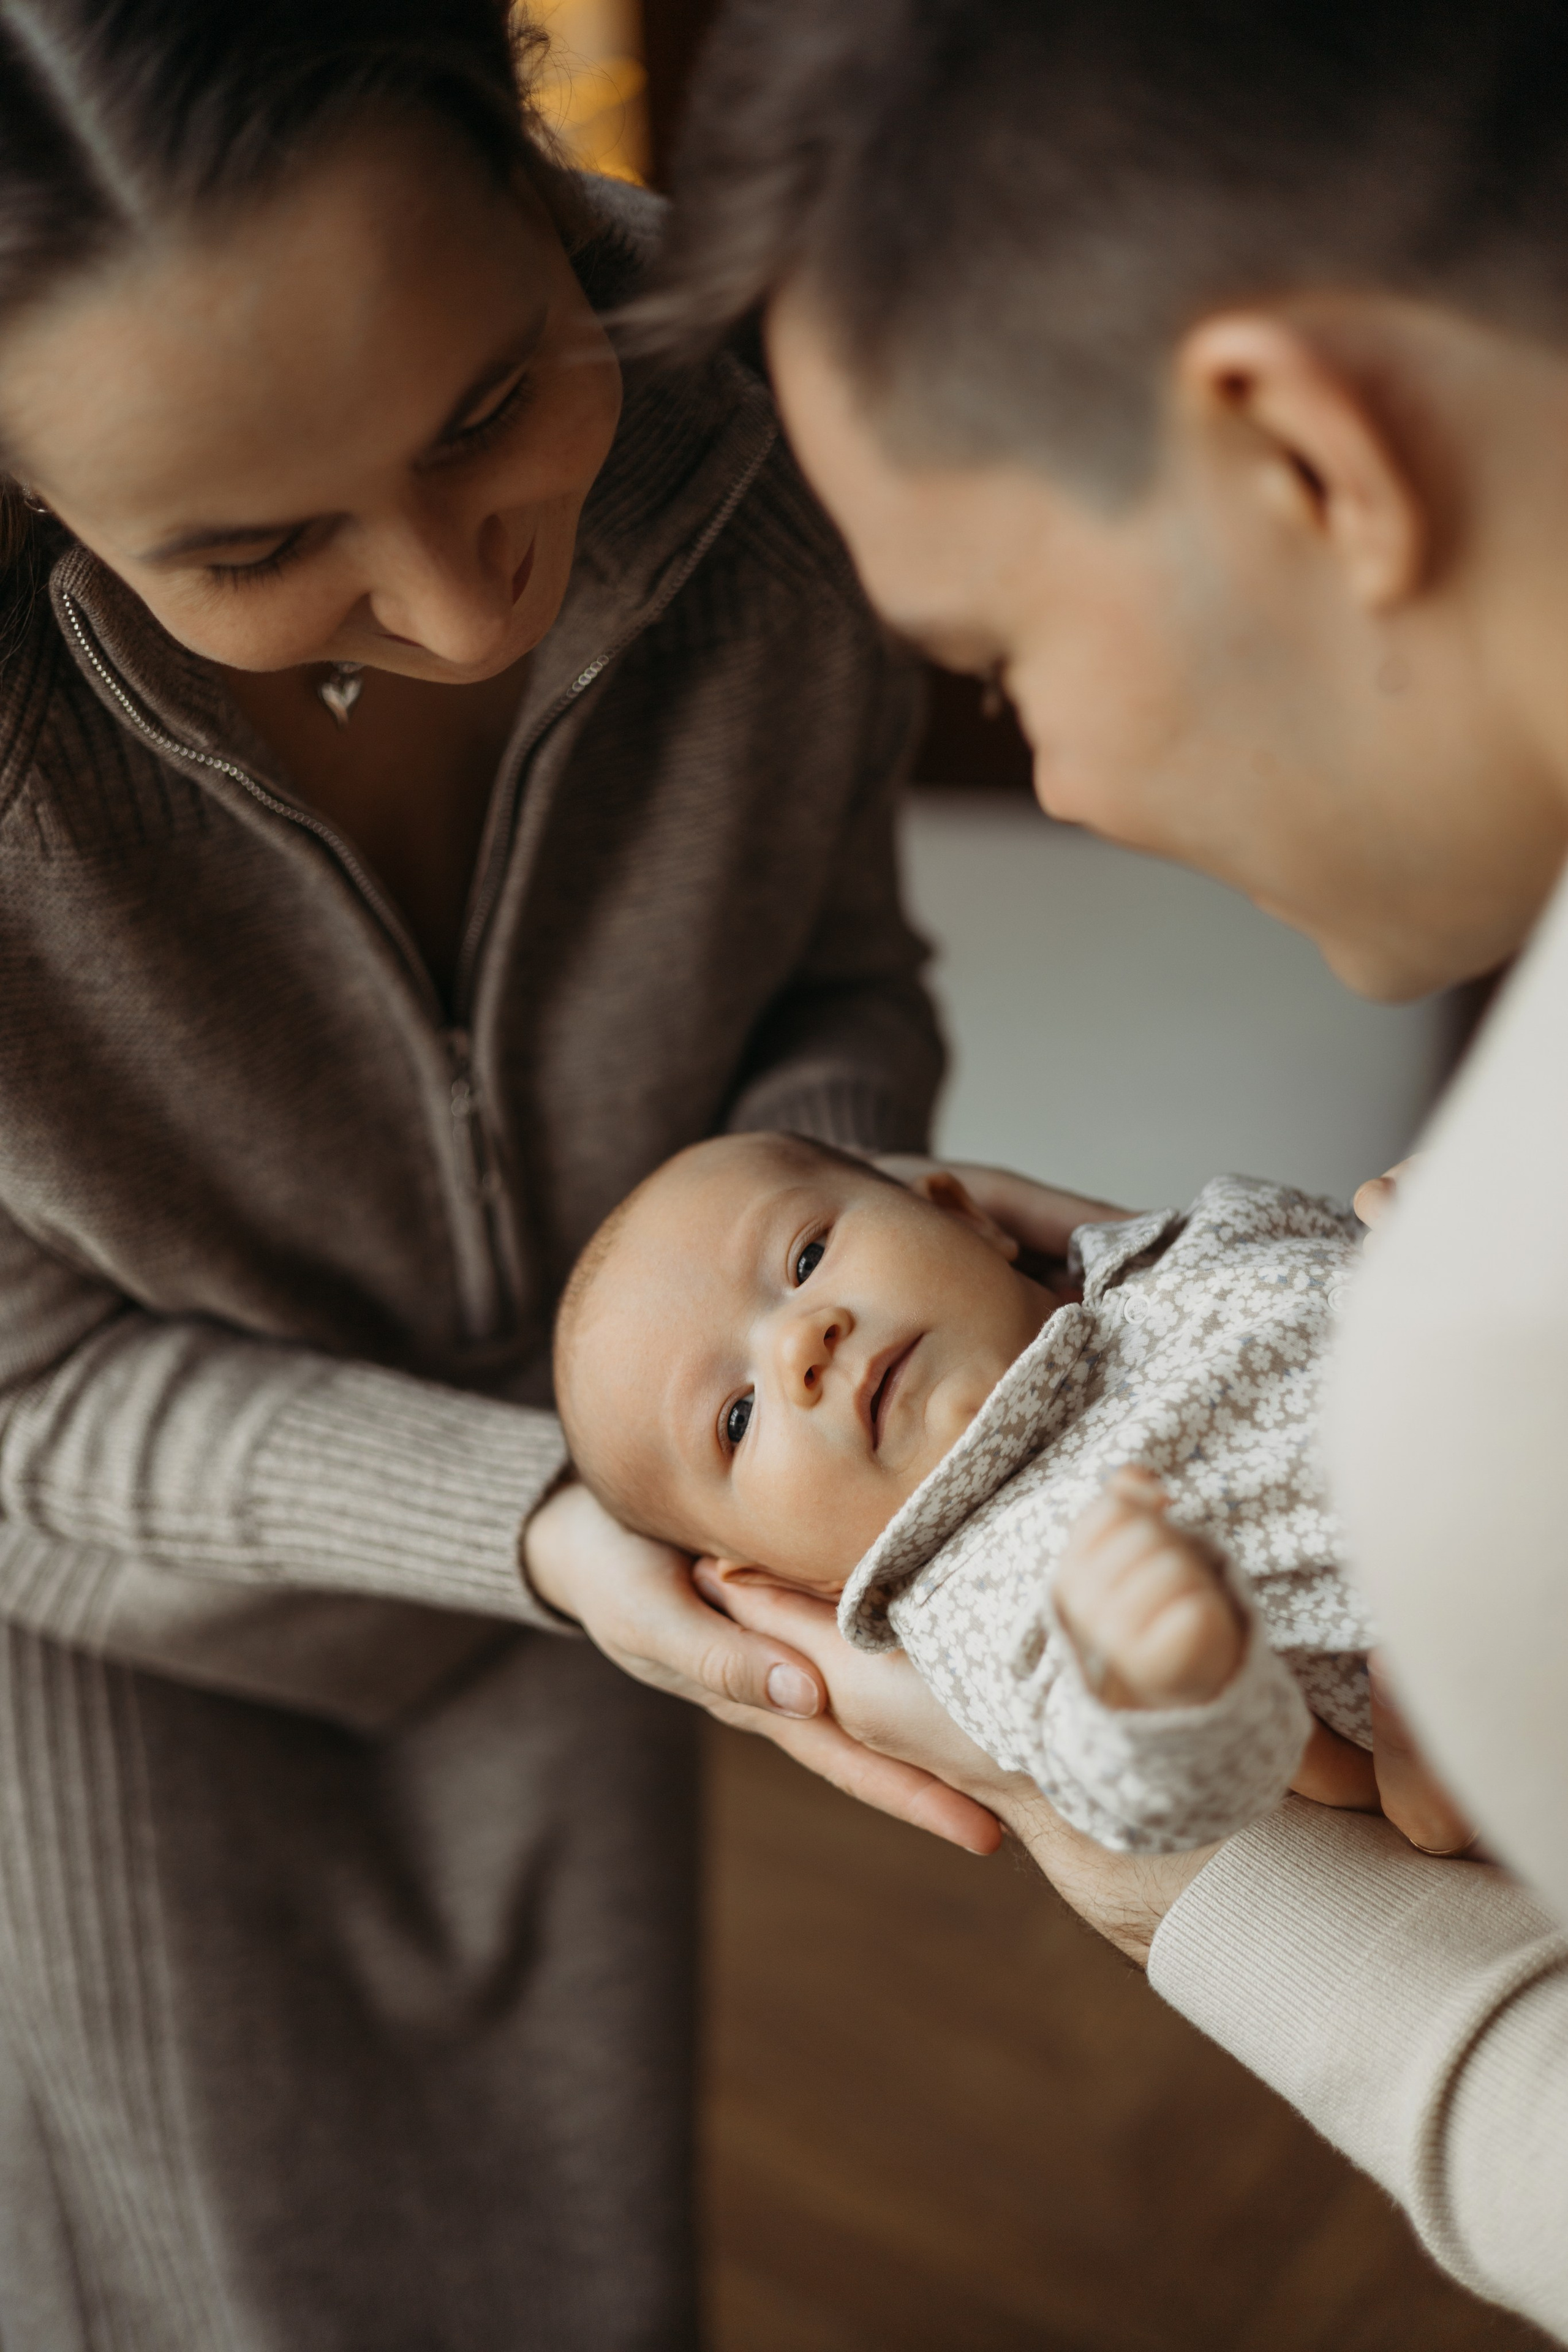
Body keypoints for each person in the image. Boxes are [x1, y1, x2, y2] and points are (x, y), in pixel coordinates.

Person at [0, 0, 1019, 2338]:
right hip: (128, 1640)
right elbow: (22, 1400)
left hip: (620, 1584)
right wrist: (529, 1518)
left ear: (539, 165)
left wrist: (809, 1277)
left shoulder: (756, 391)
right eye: (257, 546)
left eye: (488, 408)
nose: (472, 609)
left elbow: (833, 974)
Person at [630, 0, 1568, 2335]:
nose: (1050, 781)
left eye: (997, 655)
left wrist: (1191, 1907)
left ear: (1303, 458)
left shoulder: (1498, 1358)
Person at [554, 1131, 1389, 1853]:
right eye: (737, 1419)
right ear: (783, 1580)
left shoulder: (1188, 1237)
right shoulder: (992, 1600)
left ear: (964, 1214)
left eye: (806, 1259)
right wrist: (1160, 1694)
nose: (801, 1344)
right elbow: (1122, 1785)